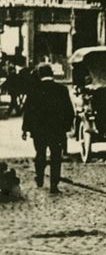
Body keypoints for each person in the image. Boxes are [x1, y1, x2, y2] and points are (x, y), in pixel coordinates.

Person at [21, 64, 74, 194]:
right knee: (56, 156)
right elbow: (69, 111)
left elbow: (28, 111)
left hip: (39, 131)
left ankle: (39, 178)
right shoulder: (61, 90)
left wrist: (25, 129)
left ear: (40, 75)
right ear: (52, 74)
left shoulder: (34, 90)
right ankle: (54, 186)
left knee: (40, 154)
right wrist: (65, 127)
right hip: (57, 131)